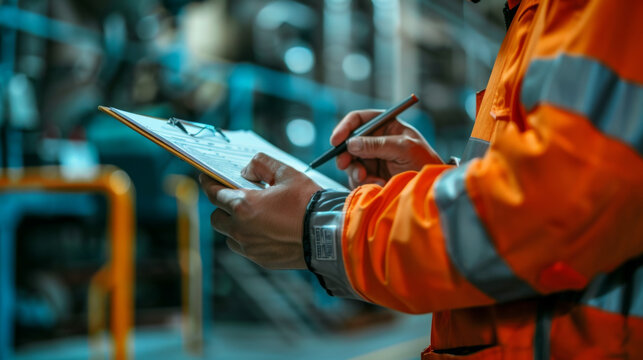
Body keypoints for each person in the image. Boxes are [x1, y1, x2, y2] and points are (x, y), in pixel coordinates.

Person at [200, 0, 643, 358]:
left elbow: (551, 211)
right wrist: (432, 181)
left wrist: (325, 225)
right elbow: (552, 186)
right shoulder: (535, 17)